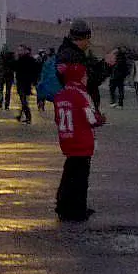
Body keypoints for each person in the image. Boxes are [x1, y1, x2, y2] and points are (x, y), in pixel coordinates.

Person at [54, 63, 105, 222]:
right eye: (85, 75)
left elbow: (57, 119)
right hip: (82, 141)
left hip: (67, 139)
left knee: (68, 174)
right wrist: (101, 119)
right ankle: (78, 210)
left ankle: (62, 205)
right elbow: (90, 118)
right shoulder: (80, 94)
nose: (86, 78)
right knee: (81, 178)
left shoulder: (61, 94)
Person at [13, 44, 41, 124]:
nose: (19, 52)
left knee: (23, 100)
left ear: (25, 50)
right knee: (23, 100)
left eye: (21, 50)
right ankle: (21, 115)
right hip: (22, 82)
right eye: (19, 50)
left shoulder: (28, 59)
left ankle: (28, 117)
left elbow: (35, 70)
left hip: (25, 83)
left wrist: (34, 81)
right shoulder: (21, 59)